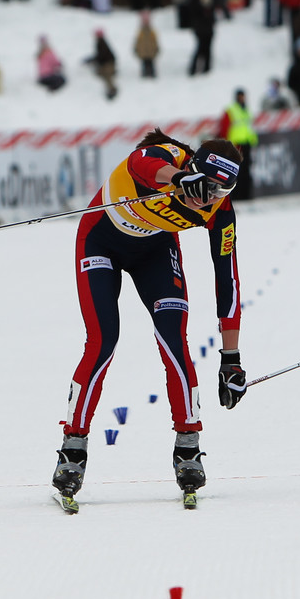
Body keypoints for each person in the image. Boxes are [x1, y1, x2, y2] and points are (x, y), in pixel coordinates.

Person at [52, 128, 246, 503]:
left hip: (154, 251)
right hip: (101, 241)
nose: (211, 200)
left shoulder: (220, 211)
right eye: (208, 188)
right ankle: (72, 447)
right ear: (193, 169)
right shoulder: (169, 158)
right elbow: (141, 163)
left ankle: (188, 446)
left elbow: (229, 280)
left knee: (174, 340)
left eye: (224, 192)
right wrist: (179, 180)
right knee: (103, 340)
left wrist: (231, 358)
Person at [218, 88, 256, 201]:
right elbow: (225, 128)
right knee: (236, 171)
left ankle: (246, 194)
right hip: (236, 145)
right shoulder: (231, 110)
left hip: (246, 143)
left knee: (246, 170)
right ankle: (237, 195)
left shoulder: (246, 110)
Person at [185, 0, 217, 76]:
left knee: (208, 48)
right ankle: (193, 69)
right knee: (200, 47)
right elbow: (192, 11)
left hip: (208, 26)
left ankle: (207, 68)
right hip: (199, 26)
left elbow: (212, 8)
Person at [85, 28, 118, 99]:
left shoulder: (101, 43)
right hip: (106, 63)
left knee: (107, 75)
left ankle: (112, 89)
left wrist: (95, 60)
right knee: (102, 74)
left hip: (108, 63)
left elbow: (102, 55)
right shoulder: (100, 43)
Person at [133, 9, 159, 79]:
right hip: (144, 51)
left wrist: (156, 48)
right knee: (145, 63)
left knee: (151, 63)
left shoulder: (152, 32)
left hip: (150, 51)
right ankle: (145, 73)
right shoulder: (140, 32)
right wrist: (136, 49)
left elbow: (155, 41)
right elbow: (138, 41)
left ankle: (152, 73)